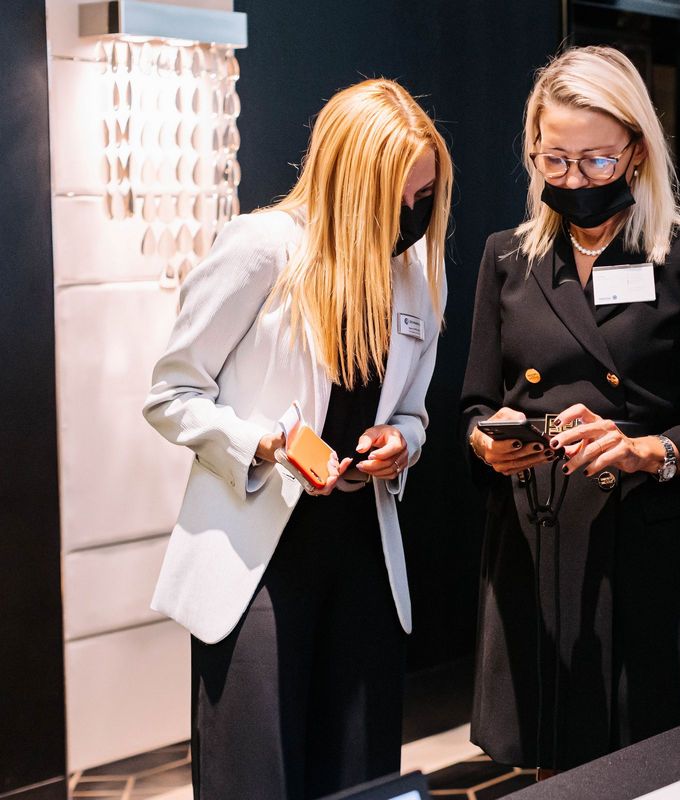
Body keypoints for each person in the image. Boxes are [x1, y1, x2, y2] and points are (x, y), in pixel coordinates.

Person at [143, 78, 451, 798]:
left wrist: (401, 442)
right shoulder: (262, 248)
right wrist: (263, 445)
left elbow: (414, 413)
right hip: (258, 567)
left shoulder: (414, 278)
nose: (413, 216)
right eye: (398, 199)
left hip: (364, 561)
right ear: (349, 183)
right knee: (256, 777)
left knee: (360, 777)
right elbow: (172, 396)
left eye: (426, 197)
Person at [460, 46, 680, 776]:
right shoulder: (507, 258)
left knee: (645, 758)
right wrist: (484, 441)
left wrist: (647, 450)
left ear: (636, 151)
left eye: (596, 162)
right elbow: (476, 400)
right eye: (555, 161)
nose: (574, 180)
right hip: (537, 533)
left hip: (645, 539)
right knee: (551, 760)